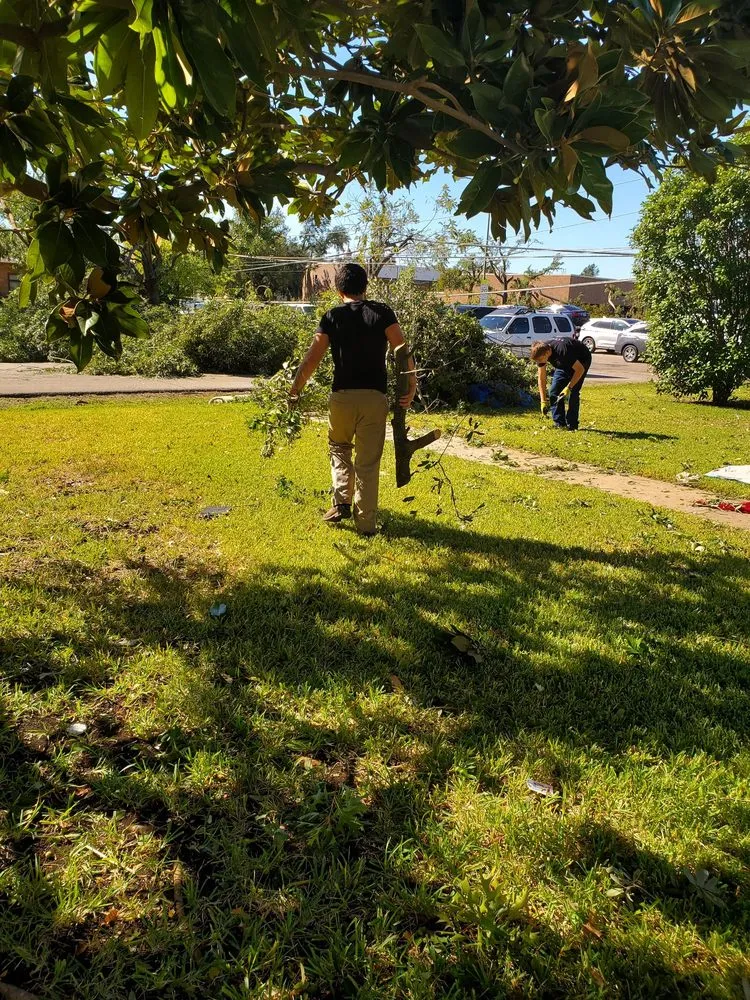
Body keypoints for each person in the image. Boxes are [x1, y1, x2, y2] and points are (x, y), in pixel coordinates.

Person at [289, 262, 416, 536]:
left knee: (339, 447)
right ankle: (366, 525)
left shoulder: (332, 317)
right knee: (368, 463)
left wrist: (295, 388)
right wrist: (411, 386)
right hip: (374, 398)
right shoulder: (382, 313)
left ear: (338, 289)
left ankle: (341, 501)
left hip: (342, 398)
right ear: (365, 287)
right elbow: (403, 351)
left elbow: (312, 359)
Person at [530, 337, 592, 431]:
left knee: (574, 392)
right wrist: (543, 401)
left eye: (540, 360)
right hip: (563, 363)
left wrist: (569, 387)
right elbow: (541, 378)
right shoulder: (541, 351)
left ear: (547, 353)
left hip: (582, 360)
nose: (539, 363)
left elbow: (580, 370)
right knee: (554, 391)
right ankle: (560, 424)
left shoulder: (562, 351)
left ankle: (572, 425)